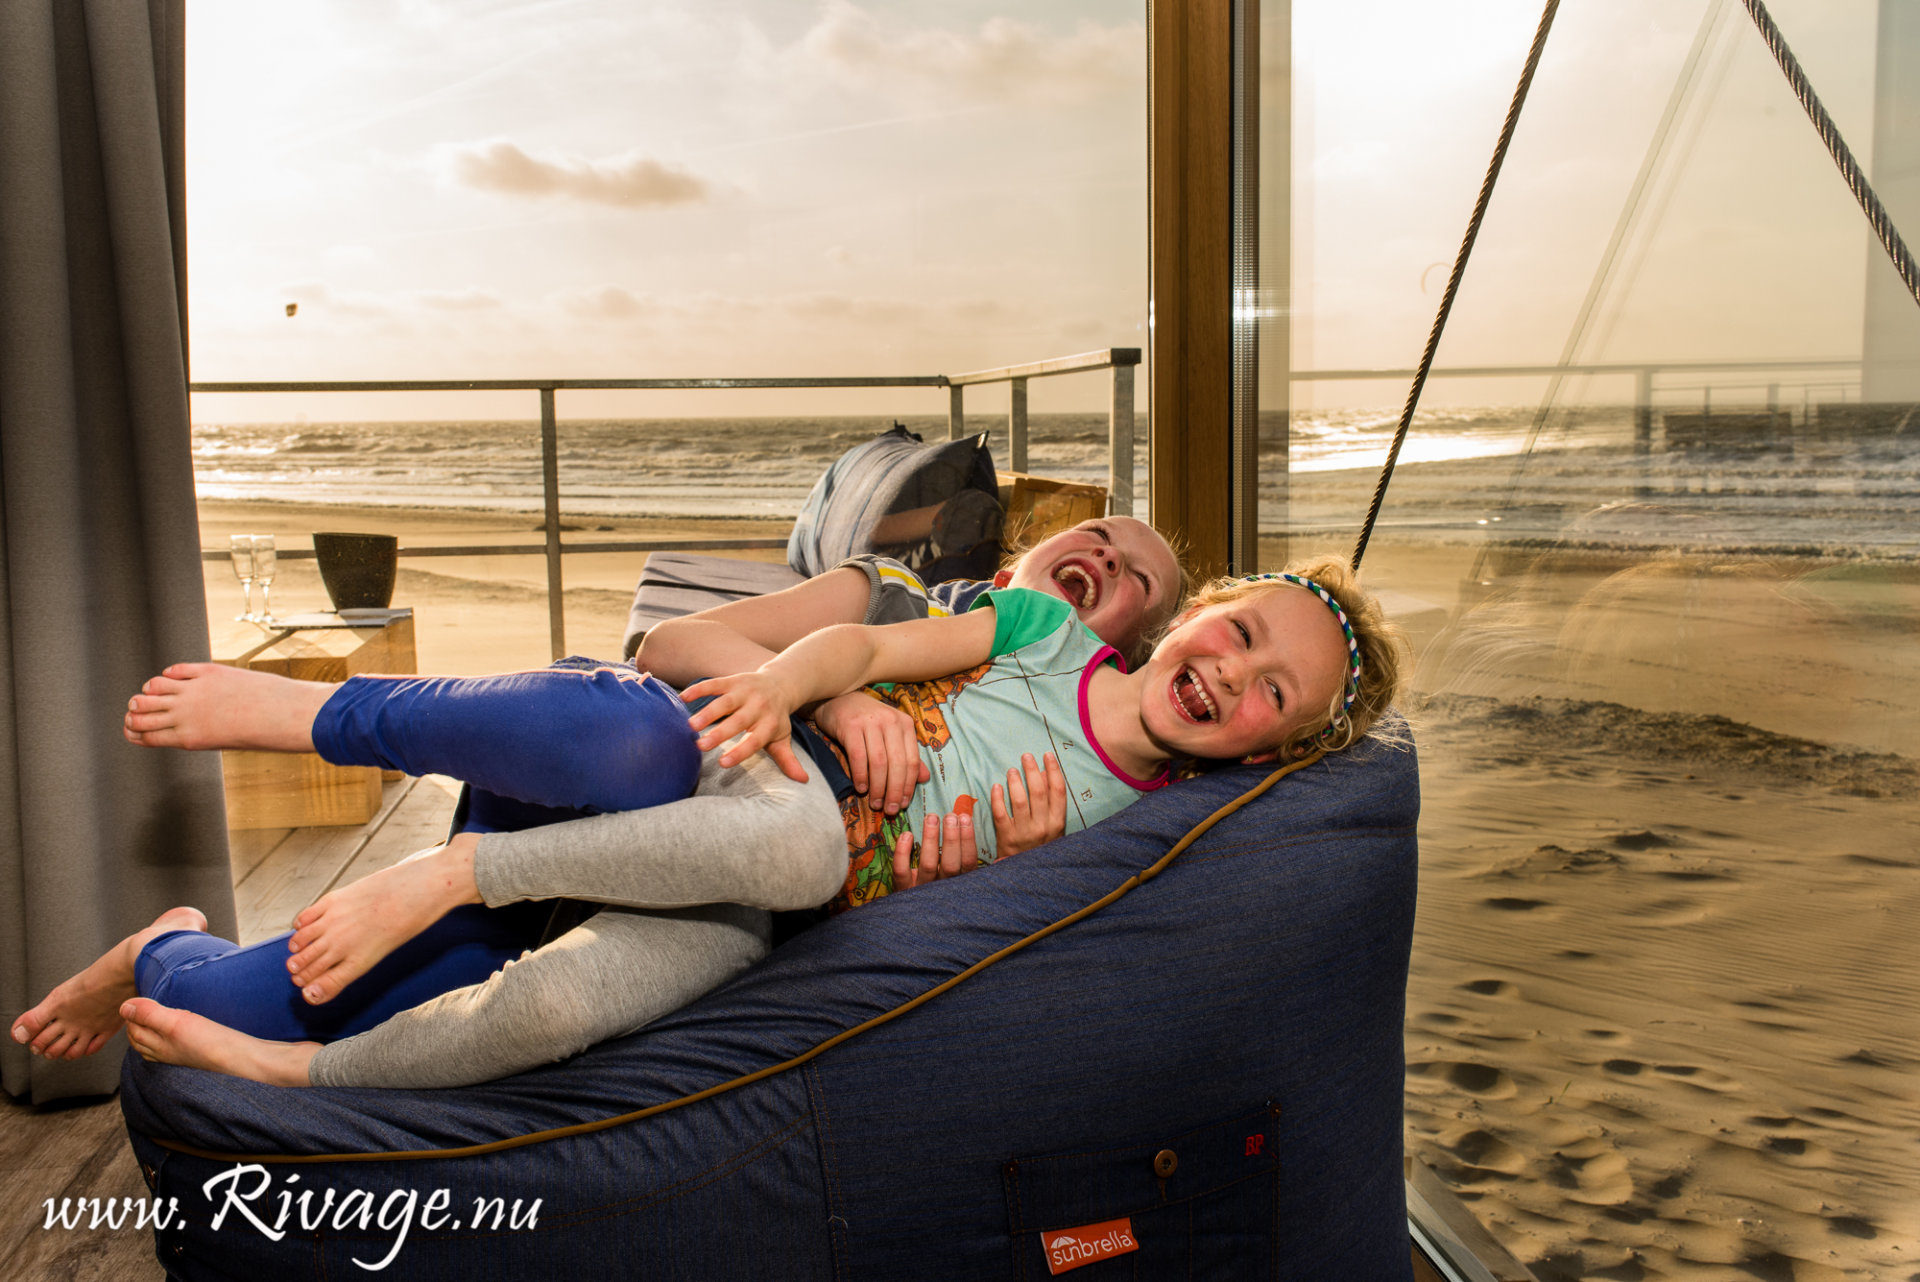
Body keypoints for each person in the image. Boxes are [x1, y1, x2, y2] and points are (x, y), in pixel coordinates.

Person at [15, 556, 1403, 1090]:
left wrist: (959, 866)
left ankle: (192, 979)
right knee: (782, 826)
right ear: (1204, 613)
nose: (1234, 673)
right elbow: (849, 656)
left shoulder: (1150, 824)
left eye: (1273, 690)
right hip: (749, 777)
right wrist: (817, 681)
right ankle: (421, 828)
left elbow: (956, 931)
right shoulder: (1029, 633)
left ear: (1274, 742)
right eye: (1239, 632)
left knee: (550, 1011)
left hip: (759, 893)